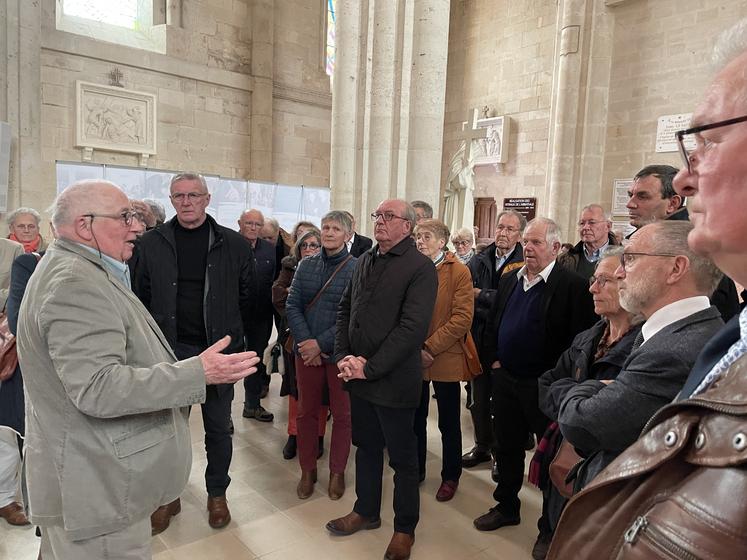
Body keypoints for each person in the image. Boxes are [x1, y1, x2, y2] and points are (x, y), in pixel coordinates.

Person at [547, 20, 747, 559]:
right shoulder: (731, 338)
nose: (685, 178)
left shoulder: (694, 330)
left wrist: (580, 395)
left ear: (677, 266)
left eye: (709, 139)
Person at [18, 180, 258, 558]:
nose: (136, 226)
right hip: (97, 489)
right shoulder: (74, 283)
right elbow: (98, 387)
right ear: (85, 225)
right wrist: (198, 372)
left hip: (87, 478)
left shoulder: (80, 267)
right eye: (125, 216)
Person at [133, 173, 257, 531]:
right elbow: (140, 298)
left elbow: (246, 298)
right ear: (171, 201)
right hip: (171, 352)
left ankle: (217, 494)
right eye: (179, 196)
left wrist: (231, 336)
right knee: (168, 429)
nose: (186, 202)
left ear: (207, 198)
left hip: (217, 349)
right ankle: (167, 497)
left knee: (218, 428)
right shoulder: (151, 243)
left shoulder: (233, 244)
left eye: (193, 195)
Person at [473, 218, 597, 560]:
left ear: (555, 248)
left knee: (551, 459)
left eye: (536, 242)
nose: (528, 248)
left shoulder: (572, 286)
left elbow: (579, 341)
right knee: (507, 447)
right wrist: (494, 359)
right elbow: (495, 322)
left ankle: (549, 527)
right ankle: (506, 506)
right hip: (507, 379)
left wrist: (559, 382)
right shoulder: (511, 278)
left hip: (545, 388)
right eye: (526, 242)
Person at [326, 199, 437, 560]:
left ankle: (405, 529)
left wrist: (368, 367)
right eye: (377, 216)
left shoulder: (420, 268)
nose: (380, 222)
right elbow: (346, 309)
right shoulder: (365, 261)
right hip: (359, 378)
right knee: (367, 448)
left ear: (408, 226)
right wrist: (343, 356)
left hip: (393, 380)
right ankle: (366, 511)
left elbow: (411, 329)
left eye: (389, 216)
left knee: (403, 461)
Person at [536, 246, 642, 539]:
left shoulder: (644, 347)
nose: (592, 288)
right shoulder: (588, 336)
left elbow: (616, 415)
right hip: (564, 452)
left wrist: (575, 398)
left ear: (627, 282)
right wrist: (587, 395)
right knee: (558, 518)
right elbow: (547, 384)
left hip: (606, 468)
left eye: (603, 281)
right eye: (593, 279)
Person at [287, 211, 356, 501]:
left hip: (339, 354)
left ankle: (337, 471)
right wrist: (306, 342)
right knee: (306, 413)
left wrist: (322, 344)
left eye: (336, 229)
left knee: (342, 415)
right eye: (325, 227)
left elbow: (353, 314)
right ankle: (307, 470)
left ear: (348, 235)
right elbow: (293, 305)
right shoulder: (306, 265)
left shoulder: (356, 268)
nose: (328, 233)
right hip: (307, 353)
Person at [413, 219, 480, 502]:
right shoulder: (411, 268)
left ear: (442, 242)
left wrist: (429, 347)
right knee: (414, 418)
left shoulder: (459, 272)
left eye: (426, 237)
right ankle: (414, 469)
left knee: (448, 423)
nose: (419, 241)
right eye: (417, 236)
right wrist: (413, 348)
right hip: (411, 356)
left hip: (445, 356)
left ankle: (450, 476)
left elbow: (462, 318)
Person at [627, 165, 739, 320]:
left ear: (673, 203)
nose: (630, 204)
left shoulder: (693, 249)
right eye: (630, 195)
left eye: (642, 196)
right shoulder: (650, 241)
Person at [462, 210, 525, 478]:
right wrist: (491, 299)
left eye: (510, 229)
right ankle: (482, 446)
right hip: (478, 338)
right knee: (478, 401)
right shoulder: (480, 259)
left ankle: (501, 453)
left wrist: (483, 296)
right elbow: (465, 295)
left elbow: (515, 301)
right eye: (500, 227)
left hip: (507, 342)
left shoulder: (525, 262)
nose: (503, 233)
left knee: (502, 403)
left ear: (519, 234)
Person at [273, 228, 328, 461]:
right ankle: (294, 435)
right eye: (305, 246)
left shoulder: (331, 267)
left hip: (324, 342)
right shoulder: (290, 267)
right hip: (295, 339)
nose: (309, 249)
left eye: (315, 245)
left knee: (322, 393)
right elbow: (278, 297)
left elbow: (332, 306)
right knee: (297, 391)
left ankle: (318, 436)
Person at [0, 239, 29, 527]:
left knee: (7, 429)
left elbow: (13, 302)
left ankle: (5, 498)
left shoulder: (15, 253)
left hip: (8, 351)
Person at [238, 208, 276, 421]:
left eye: (257, 224)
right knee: (229, 361)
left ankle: (252, 405)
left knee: (255, 361)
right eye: (249, 223)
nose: (253, 228)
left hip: (261, 316)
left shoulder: (269, 250)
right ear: (240, 223)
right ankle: (223, 415)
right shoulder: (229, 246)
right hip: (233, 315)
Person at [557, 204, 618, 279]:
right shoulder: (564, 259)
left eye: (592, 223)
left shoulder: (624, 258)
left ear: (608, 226)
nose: (585, 227)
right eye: (582, 223)